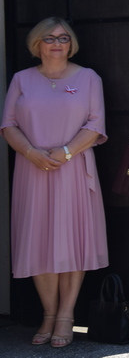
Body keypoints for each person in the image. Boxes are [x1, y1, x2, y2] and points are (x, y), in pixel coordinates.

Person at [2, 17, 108, 348]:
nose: (57, 43)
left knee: (72, 240)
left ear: (71, 43)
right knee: (38, 241)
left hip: (73, 168)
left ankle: (66, 315)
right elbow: (8, 125)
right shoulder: (21, 79)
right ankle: (48, 314)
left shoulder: (88, 78)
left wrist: (65, 152)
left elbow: (95, 124)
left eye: (63, 38)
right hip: (33, 168)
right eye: (49, 38)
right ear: (37, 44)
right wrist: (31, 153)